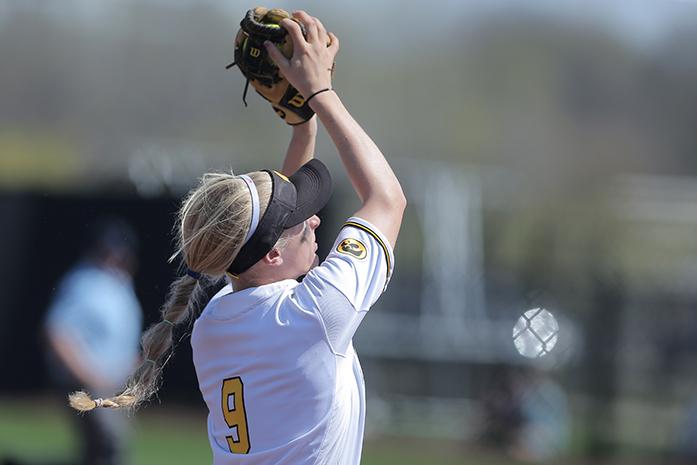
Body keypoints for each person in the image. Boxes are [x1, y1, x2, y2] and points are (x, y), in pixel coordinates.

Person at [68, 10, 406, 465]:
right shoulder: (313, 314)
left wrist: (301, 122)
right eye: (302, 218)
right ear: (269, 254)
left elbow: (257, 233)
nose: (315, 222)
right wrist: (320, 92)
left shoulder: (220, 323)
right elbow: (388, 199)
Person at [45, 217, 142, 465]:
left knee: (104, 452)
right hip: (91, 383)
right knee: (108, 446)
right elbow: (57, 332)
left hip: (117, 384)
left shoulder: (120, 283)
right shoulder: (84, 282)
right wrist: (87, 375)